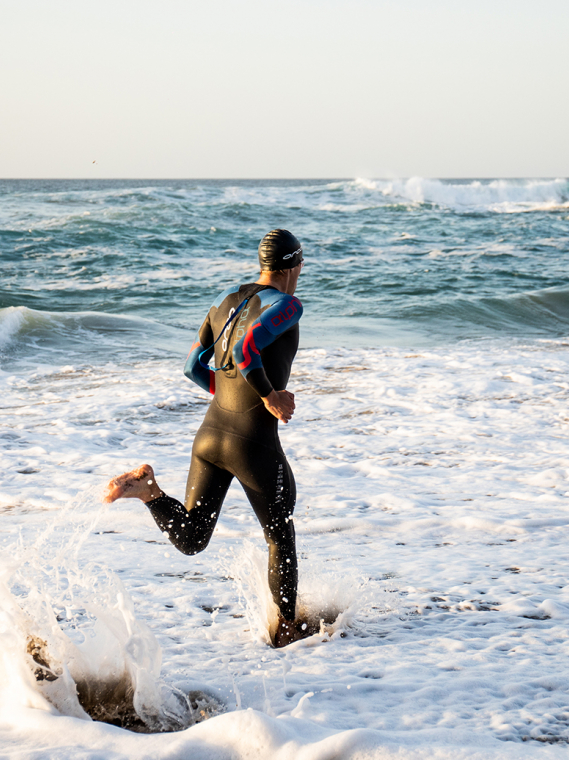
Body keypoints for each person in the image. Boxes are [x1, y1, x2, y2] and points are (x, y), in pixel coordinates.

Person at [104, 229, 305, 647]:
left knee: (193, 537)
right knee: (280, 532)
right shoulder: (287, 304)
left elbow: (193, 366)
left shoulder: (228, 296)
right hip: (251, 441)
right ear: (294, 266)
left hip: (210, 436)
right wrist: (269, 397)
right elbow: (248, 350)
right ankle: (286, 634)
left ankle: (148, 492)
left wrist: (234, 392)